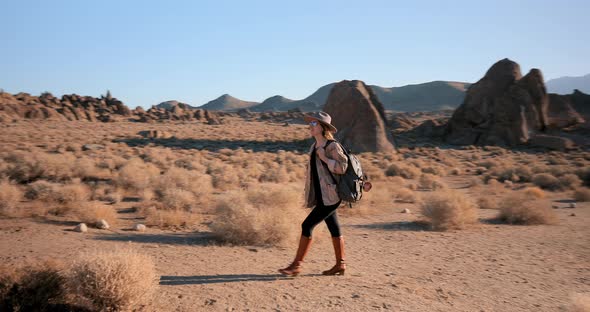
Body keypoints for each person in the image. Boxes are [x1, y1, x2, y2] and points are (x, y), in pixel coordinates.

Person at [279, 111, 349, 276]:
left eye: (314, 124)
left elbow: (342, 167)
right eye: (310, 124)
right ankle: (340, 264)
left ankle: (296, 264)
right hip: (322, 196)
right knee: (334, 228)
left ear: (323, 127)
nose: (310, 127)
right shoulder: (314, 146)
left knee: (306, 225)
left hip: (331, 196)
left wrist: (325, 158)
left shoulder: (332, 146)